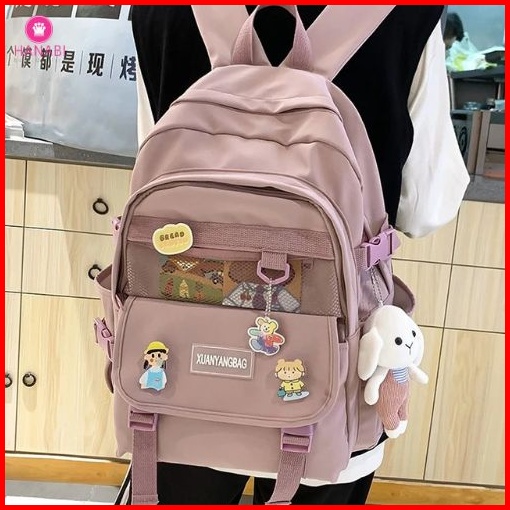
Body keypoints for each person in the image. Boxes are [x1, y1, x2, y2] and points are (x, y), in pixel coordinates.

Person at [130, 5, 469, 505]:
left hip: (177, 373)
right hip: (333, 375)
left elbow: (152, 164)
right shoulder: (407, 15)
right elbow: (426, 207)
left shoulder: (156, 11)